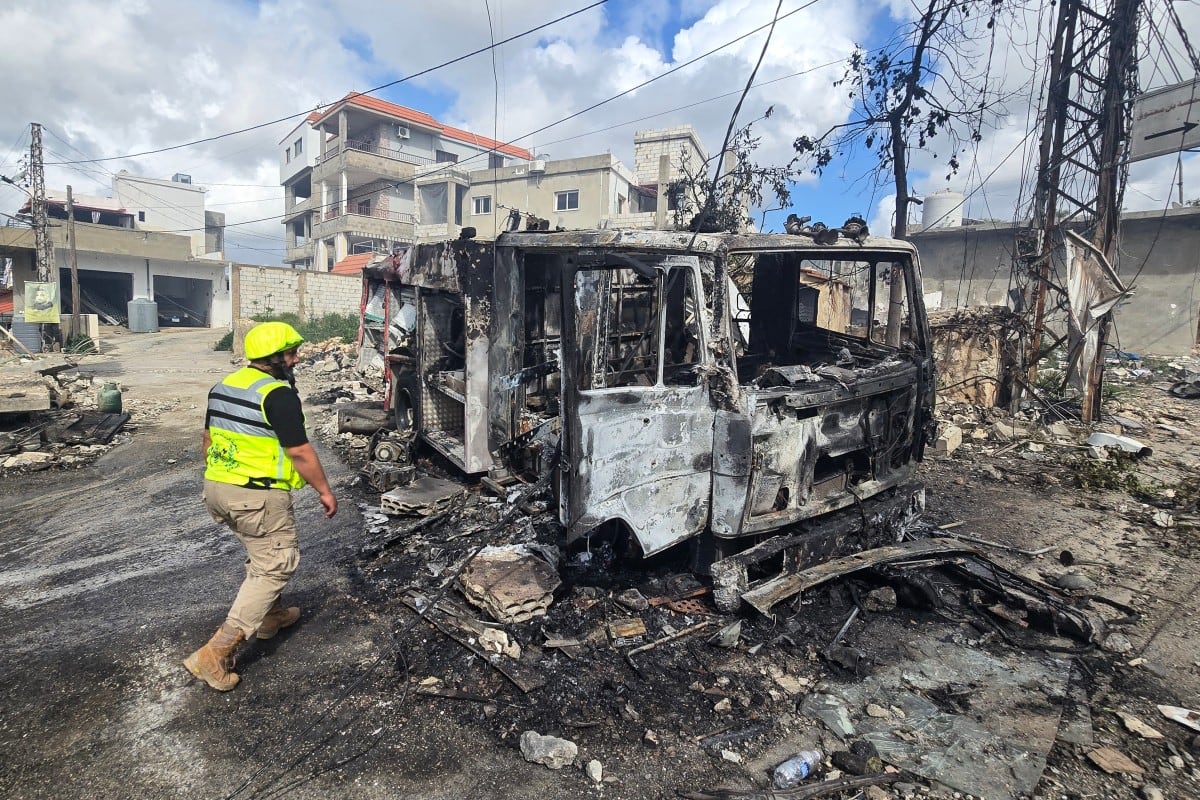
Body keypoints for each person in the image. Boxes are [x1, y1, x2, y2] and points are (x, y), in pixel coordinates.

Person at [183, 321, 337, 691]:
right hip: (256, 495)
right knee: (276, 565)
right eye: (291, 353)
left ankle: (271, 617)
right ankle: (215, 654)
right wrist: (324, 491)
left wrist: (225, 478)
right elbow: (299, 452)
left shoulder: (224, 386)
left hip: (218, 488)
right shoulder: (277, 396)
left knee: (261, 550)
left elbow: (208, 440)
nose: (296, 359)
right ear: (272, 358)